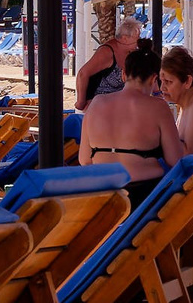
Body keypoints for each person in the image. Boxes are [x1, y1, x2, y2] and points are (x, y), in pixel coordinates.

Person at [78, 38, 182, 205]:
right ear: (153, 78)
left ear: (123, 74)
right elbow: (175, 159)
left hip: (101, 196)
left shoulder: (96, 103)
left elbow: (85, 160)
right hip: (144, 196)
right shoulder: (158, 107)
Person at [76, 16, 142, 111]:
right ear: (125, 38)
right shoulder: (106, 52)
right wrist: (81, 101)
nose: (140, 41)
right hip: (99, 106)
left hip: (120, 105)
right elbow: (83, 74)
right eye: (137, 38)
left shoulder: (131, 52)